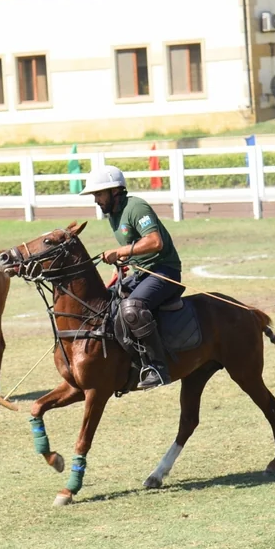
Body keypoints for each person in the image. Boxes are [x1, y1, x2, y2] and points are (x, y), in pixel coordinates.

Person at [80, 165, 184, 390]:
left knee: (132, 308)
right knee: (106, 303)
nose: (96, 200)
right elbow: (135, 248)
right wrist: (123, 263)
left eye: (98, 194)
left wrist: (122, 252)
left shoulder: (135, 207)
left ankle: (158, 368)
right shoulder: (114, 215)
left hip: (164, 271)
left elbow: (155, 242)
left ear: (114, 190)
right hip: (142, 273)